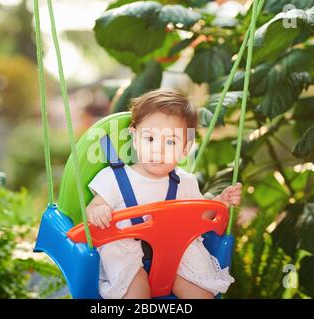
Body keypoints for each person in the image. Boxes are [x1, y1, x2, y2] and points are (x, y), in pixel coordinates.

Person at [86, 88, 241, 299]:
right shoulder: (113, 178)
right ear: (134, 136)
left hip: (174, 254)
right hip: (127, 254)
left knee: (199, 293)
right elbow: (93, 207)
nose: (158, 150)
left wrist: (220, 201)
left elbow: (199, 218)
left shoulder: (185, 182)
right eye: (149, 139)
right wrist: (99, 210)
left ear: (185, 148)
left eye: (170, 142)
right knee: (135, 292)